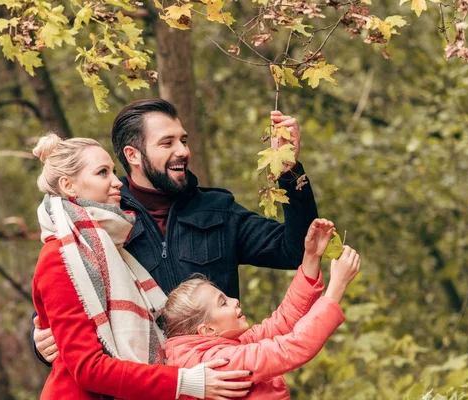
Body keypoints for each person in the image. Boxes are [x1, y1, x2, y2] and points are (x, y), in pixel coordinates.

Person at [33, 98, 319, 365]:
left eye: (183, 140)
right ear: (133, 155)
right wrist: (40, 341)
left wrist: (289, 171)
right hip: (143, 385)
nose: (182, 150)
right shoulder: (101, 221)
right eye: (167, 143)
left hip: (221, 376)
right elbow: (68, 291)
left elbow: (295, 249)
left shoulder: (218, 209)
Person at [31, 134, 253, 399]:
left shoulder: (114, 249)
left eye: (113, 171)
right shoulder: (59, 256)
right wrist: (184, 381)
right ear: (69, 186)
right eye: (103, 173)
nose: (117, 183)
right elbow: (87, 368)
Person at [163, 219, 361, 399]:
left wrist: (311, 256)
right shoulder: (218, 363)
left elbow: (283, 322)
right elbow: (292, 347)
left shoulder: (222, 346)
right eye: (223, 303)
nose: (235, 301)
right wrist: (336, 287)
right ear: (207, 330)